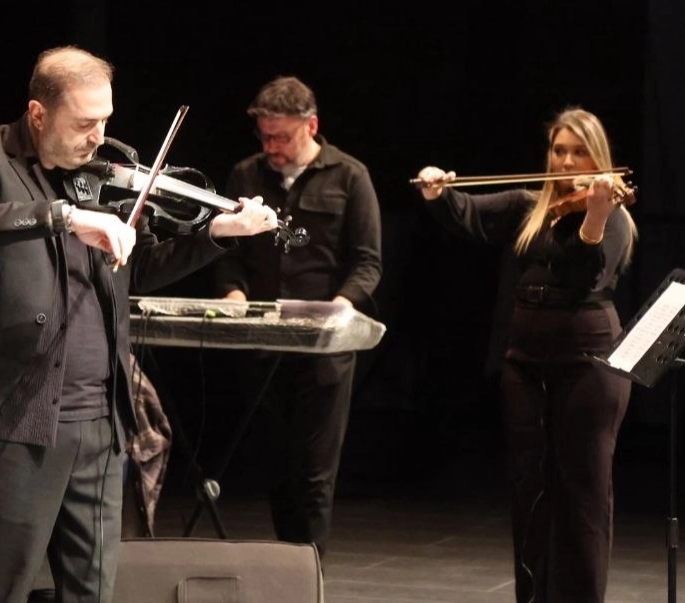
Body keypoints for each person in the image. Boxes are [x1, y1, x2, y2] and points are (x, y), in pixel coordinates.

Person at [0, 45, 280, 603]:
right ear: (39, 113)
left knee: (92, 590)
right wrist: (64, 217)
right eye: (84, 123)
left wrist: (215, 235)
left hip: (102, 423)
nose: (98, 137)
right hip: (19, 419)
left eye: (105, 120)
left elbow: (140, 267)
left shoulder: (102, 176)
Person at [415, 107, 637, 603]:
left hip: (588, 364)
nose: (567, 162)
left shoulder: (613, 215)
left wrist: (595, 216)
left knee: (582, 492)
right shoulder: (531, 205)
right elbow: (469, 214)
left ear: (598, 157)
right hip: (525, 361)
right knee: (529, 488)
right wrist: (437, 192)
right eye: (559, 150)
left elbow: (583, 274)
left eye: (579, 152)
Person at [214, 75, 383, 561]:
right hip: (264, 345)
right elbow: (226, 251)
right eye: (264, 136)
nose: (271, 147)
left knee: (313, 473)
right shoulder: (245, 174)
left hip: (323, 351)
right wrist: (233, 292)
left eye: (281, 137)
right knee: (277, 467)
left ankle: (308, 573)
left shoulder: (350, 175)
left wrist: (342, 305)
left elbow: (368, 262)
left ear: (311, 126)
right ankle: (289, 569)